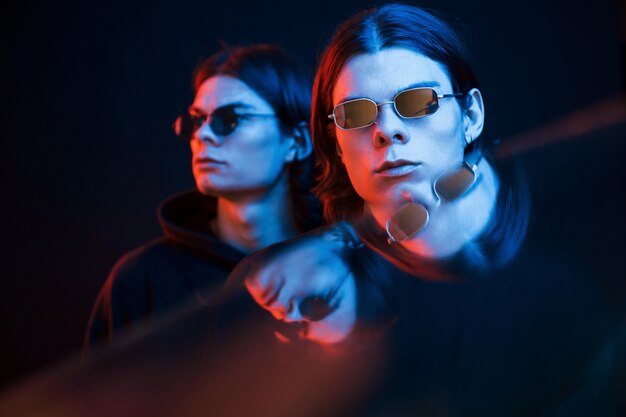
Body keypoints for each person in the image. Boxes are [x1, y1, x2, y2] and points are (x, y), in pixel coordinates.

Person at [233, 4, 615, 416]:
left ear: (471, 115)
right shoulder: (281, 296)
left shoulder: (582, 234)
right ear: (336, 143)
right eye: (356, 113)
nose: (386, 130)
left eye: (418, 102)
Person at [84, 44, 321, 348]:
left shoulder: (341, 267)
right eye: (197, 121)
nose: (202, 135)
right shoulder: (142, 280)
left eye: (230, 119)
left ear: (296, 142)